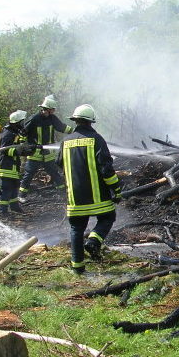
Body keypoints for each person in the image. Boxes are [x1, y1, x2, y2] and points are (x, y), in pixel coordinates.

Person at [56, 104, 121, 274]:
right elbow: (106, 170)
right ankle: (93, 241)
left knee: (76, 229)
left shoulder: (65, 141)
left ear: (75, 120)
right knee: (108, 217)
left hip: (74, 198)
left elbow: (58, 163)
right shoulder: (96, 139)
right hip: (98, 197)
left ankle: (77, 268)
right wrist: (116, 189)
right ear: (91, 122)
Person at [18, 95, 73, 202]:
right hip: (35, 153)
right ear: (47, 109)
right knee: (29, 174)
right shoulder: (34, 119)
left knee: (54, 173)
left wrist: (76, 131)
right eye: (52, 109)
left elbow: (62, 127)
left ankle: (63, 194)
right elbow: (23, 132)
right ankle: (21, 195)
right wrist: (23, 145)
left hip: (48, 153)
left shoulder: (52, 118)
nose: (54, 111)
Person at [0, 110, 35, 216]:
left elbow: (19, 148)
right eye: (22, 121)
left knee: (14, 188)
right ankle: (2, 211)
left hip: (13, 167)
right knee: (5, 190)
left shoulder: (14, 133)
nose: (23, 123)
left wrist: (28, 150)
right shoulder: (7, 134)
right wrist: (19, 151)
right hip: (6, 167)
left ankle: (14, 207)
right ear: (17, 122)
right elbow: (4, 150)